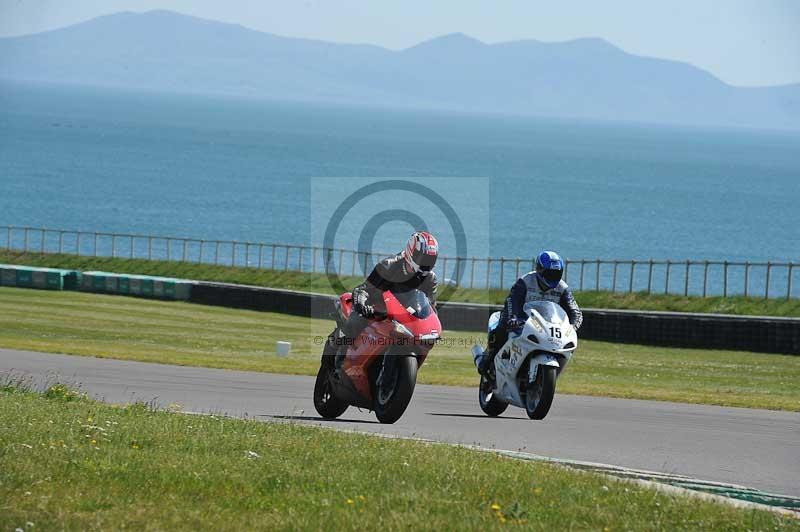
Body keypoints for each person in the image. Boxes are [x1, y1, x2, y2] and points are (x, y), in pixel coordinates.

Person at [336, 231, 439, 367]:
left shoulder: (430, 279)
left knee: (422, 342)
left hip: (401, 319)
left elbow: (431, 307)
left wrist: (431, 327)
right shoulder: (388, 266)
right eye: (423, 258)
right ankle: (339, 358)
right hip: (375, 311)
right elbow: (364, 289)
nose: (425, 263)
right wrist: (362, 304)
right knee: (355, 321)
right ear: (411, 252)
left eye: (429, 260)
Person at [477, 250, 582, 376]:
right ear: (540, 269)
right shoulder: (525, 282)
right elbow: (512, 300)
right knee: (501, 329)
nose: (552, 277)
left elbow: (575, 312)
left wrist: (572, 327)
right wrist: (514, 317)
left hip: (546, 324)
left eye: (556, 273)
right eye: (549, 273)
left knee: (568, 343)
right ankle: (488, 357)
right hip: (522, 318)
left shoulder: (563, 288)